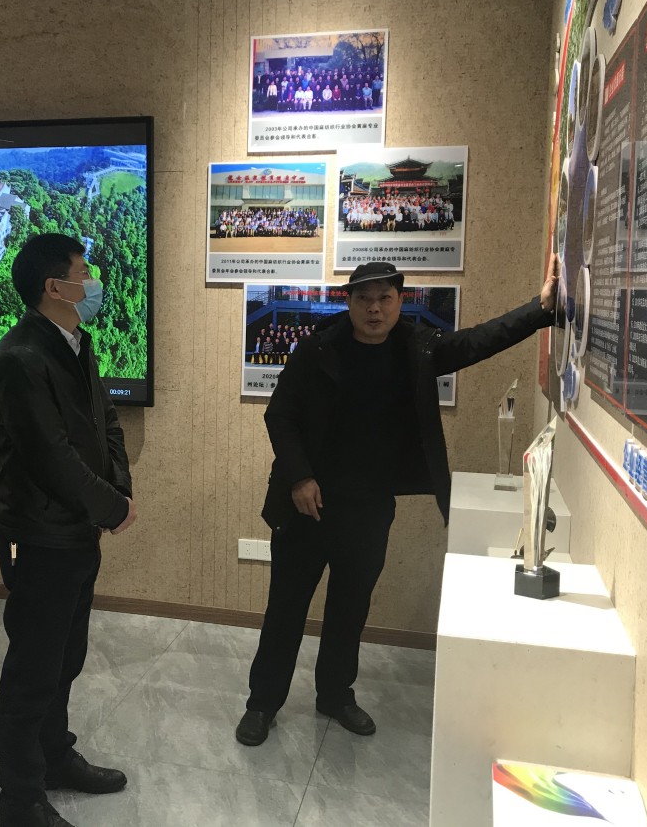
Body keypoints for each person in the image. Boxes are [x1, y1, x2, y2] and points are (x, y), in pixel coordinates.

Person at [235, 257, 560, 746]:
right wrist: (300, 477)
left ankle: (335, 695)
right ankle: (262, 703)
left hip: (369, 508)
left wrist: (540, 310)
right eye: (364, 299)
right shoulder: (318, 348)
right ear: (348, 302)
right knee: (286, 607)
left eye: (384, 299)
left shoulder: (416, 347)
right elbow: (280, 415)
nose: (374, 309)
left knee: (350, 608)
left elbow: (476, 341)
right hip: (307, 506)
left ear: (399, 301)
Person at [0, 233, 137, 827]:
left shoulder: (75, 342)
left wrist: (118, 490)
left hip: (75, 531)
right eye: (84, 272)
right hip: (40, 536)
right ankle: (19, 801)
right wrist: (112, 508)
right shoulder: (21, 358)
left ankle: (54, 758)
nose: (93, 281)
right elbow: (50, 457)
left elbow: (106, 421)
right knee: (32, 671)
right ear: (55, 287)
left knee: (65, 658)